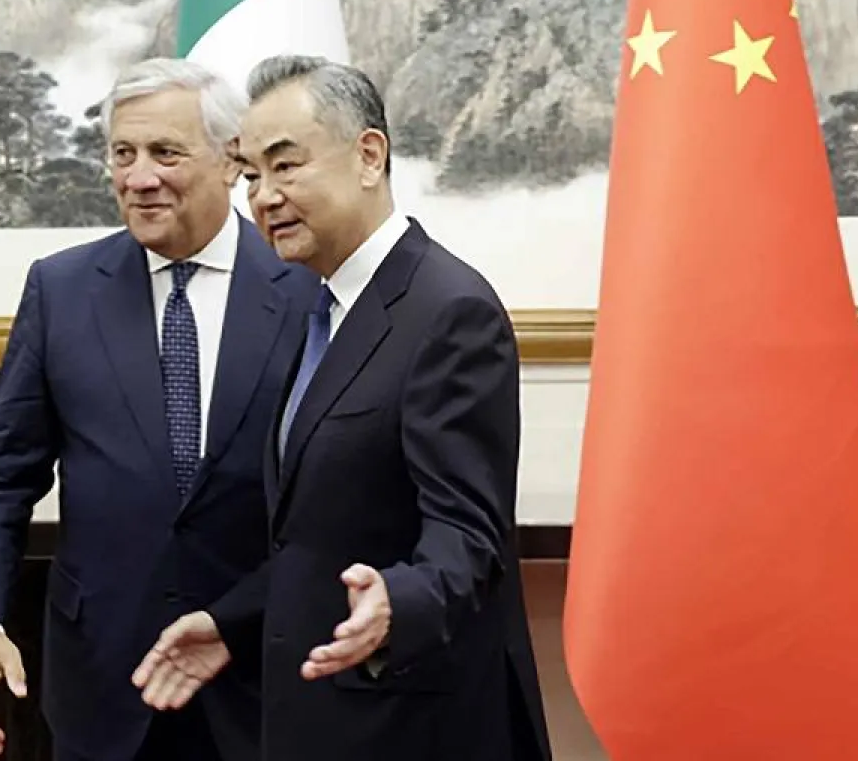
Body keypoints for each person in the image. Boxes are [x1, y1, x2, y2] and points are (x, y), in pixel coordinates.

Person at [132, 55, 552, 760]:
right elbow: (321, 534)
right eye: (252, 174)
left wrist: (398, 600)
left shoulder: (448, 311)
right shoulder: (318, 307)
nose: (263, 197)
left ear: (368, 155)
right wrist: (232, 622)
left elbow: (468, 535)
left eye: (286, 166)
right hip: (314, 715)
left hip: (410, 725)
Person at [0, 57, 322, 761]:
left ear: (230, 160)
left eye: (165, 153)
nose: (139, 177)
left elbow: (338, 495)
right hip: (103, 684)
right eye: (123, 153)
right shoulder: (61, 290)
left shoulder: (307, 289)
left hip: (263, 677)